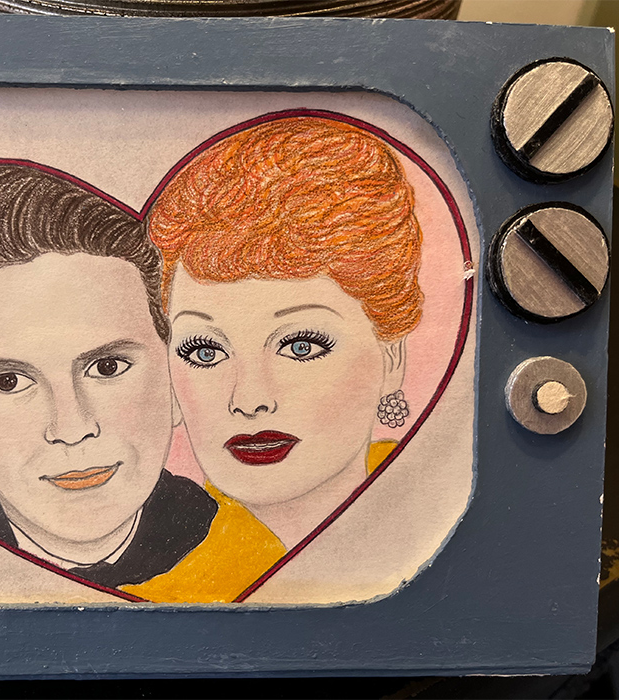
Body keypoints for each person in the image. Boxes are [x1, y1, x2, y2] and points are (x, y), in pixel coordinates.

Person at [122, 115, 423, 602]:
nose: (249, 400)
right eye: (205, 351)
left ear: (391, 357)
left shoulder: (446, 509)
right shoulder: (158, 601)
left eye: (300, 346)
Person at [0, 162, 217, 590]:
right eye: (9, 381)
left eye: (107, 367)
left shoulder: (224, 534)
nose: (71, 428)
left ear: (175, 374)